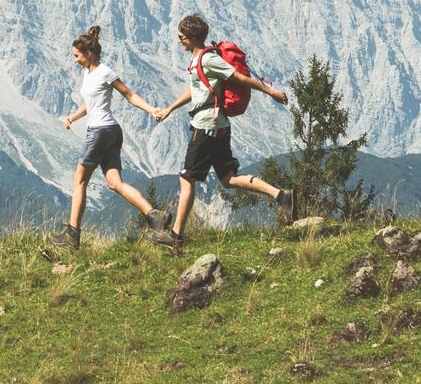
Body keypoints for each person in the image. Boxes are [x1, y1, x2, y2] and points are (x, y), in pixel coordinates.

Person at [154, 13, 295, 240]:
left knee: (187, 178)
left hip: (207, 127)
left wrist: (271, 92)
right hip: (217, 126)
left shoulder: (209, 59)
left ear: (192, 37)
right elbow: (196, 90)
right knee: (228, 178)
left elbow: (240, 78)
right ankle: (281, 196)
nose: (179, 39)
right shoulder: (197, 60)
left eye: (182, 35)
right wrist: (170, 109)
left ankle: (175, 235)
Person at [47, 26, 182, 251]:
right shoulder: (88, 73)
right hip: (110, 131)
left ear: (88, 53)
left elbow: (128, 94)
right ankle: (154, 215)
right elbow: (89, 104)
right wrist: (73, 116)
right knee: (114, 183)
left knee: (79, 180)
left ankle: (72, 236)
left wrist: (151, 110)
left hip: (100, 131)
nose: (75, 60)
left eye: (76, 56)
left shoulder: (105, 72)